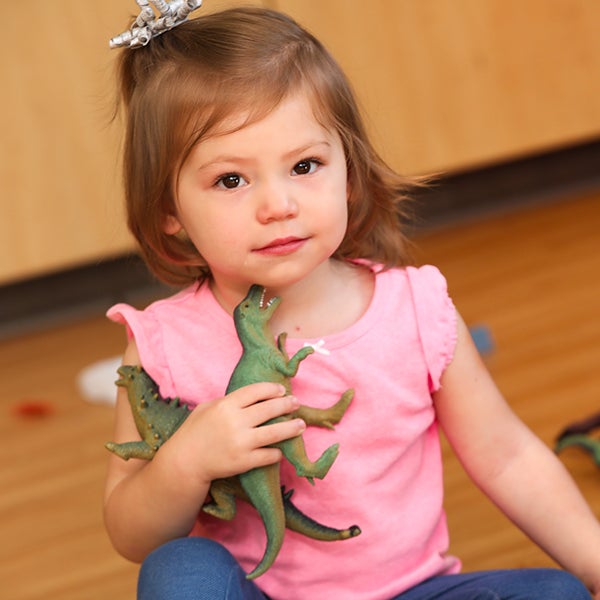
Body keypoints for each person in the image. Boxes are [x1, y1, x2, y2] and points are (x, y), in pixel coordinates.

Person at [103, 5, 600, 600]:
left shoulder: (415, 310)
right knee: (178, 569)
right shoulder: (163, 345)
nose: (278, 204)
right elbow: (132, 535)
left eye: (305, 166)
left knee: (556, 593)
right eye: (232, 180)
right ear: (170, 211)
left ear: (350, 175)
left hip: (413, 592)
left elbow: (508, 458)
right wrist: (186, 463)